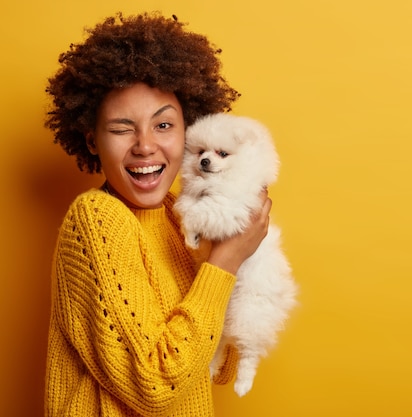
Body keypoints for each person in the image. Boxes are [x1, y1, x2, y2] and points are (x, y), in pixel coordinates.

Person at [43, 12, 271, 416]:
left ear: (188, 131)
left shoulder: (178, 216)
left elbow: (217, 368)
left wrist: (234, 250)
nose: (145, 145)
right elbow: (157, 384)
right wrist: (226, 262)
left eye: (164, 124)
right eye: (121, 128)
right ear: (91, 140)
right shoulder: (95, 218)